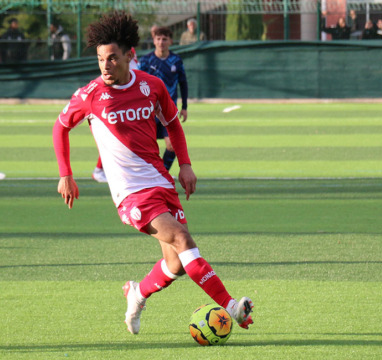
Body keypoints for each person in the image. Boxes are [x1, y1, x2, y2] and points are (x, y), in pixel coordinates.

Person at [53, 11, 254, 335]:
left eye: (112, 58)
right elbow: (59, 128)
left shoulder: (151, 86)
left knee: (175, 263)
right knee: (182, 238)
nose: (105, 66)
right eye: (100, 59)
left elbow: (173, 123)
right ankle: (231, 305)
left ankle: (137, 293)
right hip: (130, 193)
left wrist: (185, 165)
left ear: (130, 56)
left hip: (161, 182)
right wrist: (66, 173)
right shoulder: (90, 95)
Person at [137, 27, 188, 173]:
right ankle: (146, 175)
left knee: (172, 145)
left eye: (164, 39)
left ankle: (162, 173)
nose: (161, 42)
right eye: (158, 39)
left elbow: (183, 83)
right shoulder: (146, 61)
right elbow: (136, 83)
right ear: (154, 41)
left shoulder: (176, 60)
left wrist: (184, 107)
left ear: (170, 41)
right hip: (148, 112)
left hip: (167, 111)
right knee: (145, 147)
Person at [92, 46, 138, 183]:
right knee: (114, 139)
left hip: (129, 103)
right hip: (117, 103)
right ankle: (99, 170)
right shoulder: (122, 53)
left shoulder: (131, 55)